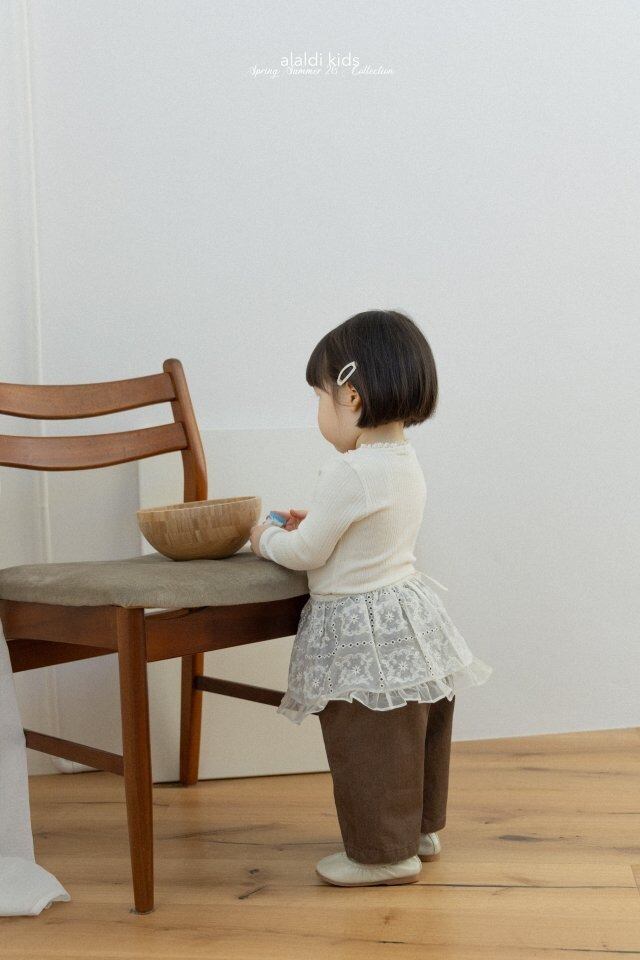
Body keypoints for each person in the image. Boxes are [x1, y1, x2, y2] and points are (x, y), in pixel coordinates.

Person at [249, 309, 493, 887]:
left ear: (351, 396)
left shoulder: (351, 471)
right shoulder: (404, 461)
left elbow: (307, 551)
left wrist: (265, 539)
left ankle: (382, 854)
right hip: (409, 618)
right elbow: (366, 529)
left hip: (362, 630)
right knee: (417, 727)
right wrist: (322, 520)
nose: (317, 411)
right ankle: (418, 830)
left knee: (368, 740)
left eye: (319, 396)